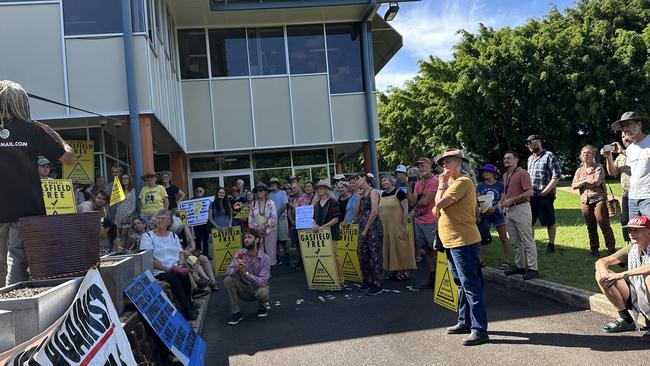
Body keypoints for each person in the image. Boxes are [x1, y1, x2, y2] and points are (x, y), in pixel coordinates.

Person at [0, 80, 76, 286]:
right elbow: (69, 159)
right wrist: (55, 135)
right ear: (22, 102)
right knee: (17, 260)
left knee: (3, 263)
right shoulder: (32, 130)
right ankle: (15, 308)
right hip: (25, 208)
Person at [434, 148, 489, 346]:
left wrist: (440, 184)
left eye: (447, 161)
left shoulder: (462, 182)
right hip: (452, 241)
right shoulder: (452, 185)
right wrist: (441, 191)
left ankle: (479, 330)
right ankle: (465, 322)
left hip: (463, 242)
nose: (443, 166)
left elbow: (438, 205)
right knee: (461, 284)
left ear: (459, 163)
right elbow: (436, 207)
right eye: (442, 162)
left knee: (470, 285)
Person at [595, 215, 650, 342]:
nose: (631, 233)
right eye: (630, 230)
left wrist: (622, 274)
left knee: (649, 278)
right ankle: (625, 318)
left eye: (637, 230)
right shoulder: (632, 249)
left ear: (648, 232)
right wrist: (605, 277)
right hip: (638, 295)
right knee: (600, 273)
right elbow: (601, 262)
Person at [139, 210, 198, 320]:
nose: (162, 220)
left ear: (169, 221)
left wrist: (180, 264)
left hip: (175, 267)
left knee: (184, 275)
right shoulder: (147, 236)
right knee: (174, 278)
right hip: (159, 270)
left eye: (165, 218)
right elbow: (149, 259)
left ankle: (189, 304)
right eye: (159, 218)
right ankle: (187, 309)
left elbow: (180, 252)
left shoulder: (173, 236)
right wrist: (168, 269)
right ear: (154, 221)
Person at [572, 145, 616, 257]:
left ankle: (611, 249)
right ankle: (594, 249)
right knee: (590, 226)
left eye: (589, 153)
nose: (586, 155)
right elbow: (573, 185)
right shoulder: (579, 170)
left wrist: (582, 182)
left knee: (603, 224)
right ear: (581, 156)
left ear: (593, 155)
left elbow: (596, 182)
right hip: (585, 201)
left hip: (598, 200)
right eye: (584, 153)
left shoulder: (598, 167)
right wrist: (585, 181)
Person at [500, 151, 538, 280]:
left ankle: (533, 268)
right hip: (509, 210)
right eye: (505, 158)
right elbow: (506, 193)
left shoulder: (522, 173)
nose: (506, 160)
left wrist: (513, 200)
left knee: (527, 239)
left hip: (521, 208)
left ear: (516, 159)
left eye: (509, 158)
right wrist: (502, 202)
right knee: (515, 241)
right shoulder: (505, 175)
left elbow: (529, 193)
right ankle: (520, 266)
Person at [224, 229, 271, 325]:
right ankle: (236, 312)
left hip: (257, 288)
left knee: (263, 291)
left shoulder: (265, 259)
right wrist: (236, 269)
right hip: (243, 288)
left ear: (257, 240)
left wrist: (246, 273)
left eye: (249, 237)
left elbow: (263, 281)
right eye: (245, 237)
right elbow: (228, 272)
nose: (246, 240)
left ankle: (262, 306)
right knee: (228, 280)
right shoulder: (240, 253)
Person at [526, 134, 562, 254]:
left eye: (531, 143)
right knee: (529, 221)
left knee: (549, 221)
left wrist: (545, 191)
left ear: (538, 142)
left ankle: (551, 245)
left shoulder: (549, 155)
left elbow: (556, 175)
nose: (529, 146)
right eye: (528, 144)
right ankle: (531, 245)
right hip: (531, 195)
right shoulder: (530, 159)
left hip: (545, 195)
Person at [406, 157, 439, 289]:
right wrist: (408, 186)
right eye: (419, 166)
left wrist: (415, 205)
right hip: (419, 221)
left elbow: (424, 202)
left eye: (423, 165)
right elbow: (411, 201)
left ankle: (442, 275)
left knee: (435, 249)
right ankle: (433, 275)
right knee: (426, 250)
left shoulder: (434, 181)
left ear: (430, 165)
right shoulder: (418, 184)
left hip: (430, 221)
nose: (421, 168)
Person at [611, 112, 650, 218]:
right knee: (634, 232)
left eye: (628, 124)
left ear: (639, 124)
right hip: (632, 198)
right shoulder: (630, 149)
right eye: (622, 127)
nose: (625, 129)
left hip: (648, 197)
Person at [379, 174, 415, 281]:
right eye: (382, 182)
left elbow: (405, 209)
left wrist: (403, 225)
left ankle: (402, 271)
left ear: (391, 181)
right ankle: (392, 270)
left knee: (400, 248)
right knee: (388, 248)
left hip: (397, 225)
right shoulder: (382, 194)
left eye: (385, 180)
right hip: (385, 227)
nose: (384, 183)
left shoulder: (399, 192)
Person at [476, 164, 511, 269]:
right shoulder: (480, 185)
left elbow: (503, 198)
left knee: (503, 237)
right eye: (484, 172)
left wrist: (495, 207)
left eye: (488, 171)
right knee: (483, 238)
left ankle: (507, 260)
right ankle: (480, 260)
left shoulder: (500, 185)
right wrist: (486, 209)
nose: (485, 173)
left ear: (493, 173)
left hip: (498, 214)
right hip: (485, 214)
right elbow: (478, 199)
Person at [355, 173, 384, 295]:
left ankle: (377, 284)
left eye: (357, 179)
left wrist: (366, 230)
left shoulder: (373, 192)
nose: (356, 181)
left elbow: (374, 212)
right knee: (362, 254)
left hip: (373, 228)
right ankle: (367, 280)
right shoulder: (362, 194)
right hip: (363, 227)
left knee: (375, 255)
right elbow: (356, 213)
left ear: (365, 179)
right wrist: (359, 198)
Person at [602, 135, 633, 242]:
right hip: (627, 193)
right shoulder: (620, 157)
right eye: (623, 137)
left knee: (644, 220)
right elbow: (612, 172)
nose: (625, 138)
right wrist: (609, 158)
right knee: (625, 221)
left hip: (644, 192)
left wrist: (622, 151)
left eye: (627, 135)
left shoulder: (642, 150)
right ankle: (631, 245)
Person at [312, 179, 344, 285]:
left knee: (334, 256)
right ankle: (329, 280)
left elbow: (336, 219)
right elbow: (314, 218)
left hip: (332, 232)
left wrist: (322, 227)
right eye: (318, 188)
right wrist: (315, 225)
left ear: (327, 190)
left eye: (322, 188)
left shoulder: (333, 202)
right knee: (324, 256)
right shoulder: (316, 204)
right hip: (320, 235)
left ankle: (340, 280)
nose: (320, 190)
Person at [248, 182, 278, 266]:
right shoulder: (253, 203)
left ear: (265, 192)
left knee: (270, 251)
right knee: (259, 251)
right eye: (257, 191)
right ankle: (261, 269)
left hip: (269, 230)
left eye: (261, 190)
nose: (259, 192)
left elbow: (274, 217)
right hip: (257, 231)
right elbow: (250, 217)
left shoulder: (271, 203)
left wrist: (264, 226)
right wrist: (256, 228)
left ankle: (268, 270)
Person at [268, 177, 290, 265]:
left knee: (284, 239)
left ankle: (287, 257)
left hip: (281, 219)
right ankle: (277, 258)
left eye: (274, 183)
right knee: (275, 240)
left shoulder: (283, 192)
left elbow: (285, 205)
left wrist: (276, 214)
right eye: (271, 183)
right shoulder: (269, 195)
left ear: (277, 184)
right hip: (272, 221)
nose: (272, 184)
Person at [114, 174, 136, 247]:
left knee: (125, 233)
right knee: (119, 234)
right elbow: (116, 204)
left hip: (128, 214)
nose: (124, 180)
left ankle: (125, 250)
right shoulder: (119, 190)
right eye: (123, 178)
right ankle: (119, 251)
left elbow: (134, 205)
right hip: (119, 214)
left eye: (126, 178)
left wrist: (127, 215)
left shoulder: (132, 190)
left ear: (129, 180)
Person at [192, 186, 210, 255]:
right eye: (197, 191)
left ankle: (206, 254)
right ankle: (198, 254)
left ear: (203, 192)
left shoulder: (207, 200)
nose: (199, 192)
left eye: (200, 191)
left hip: (205, 222)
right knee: (198, 239)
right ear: (195, 193)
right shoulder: (191, 200)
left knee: (206, 239)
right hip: (196, 223)